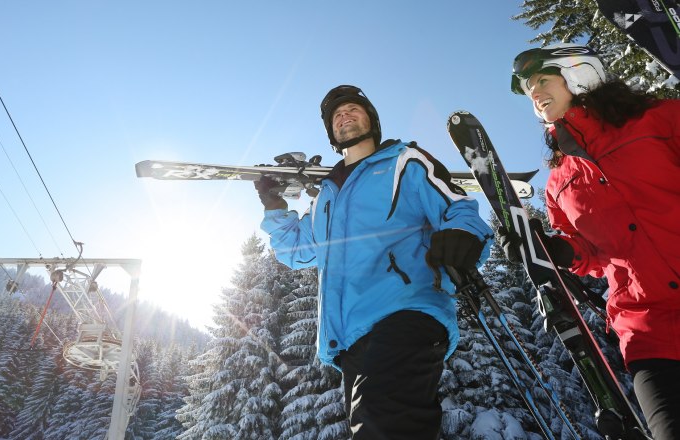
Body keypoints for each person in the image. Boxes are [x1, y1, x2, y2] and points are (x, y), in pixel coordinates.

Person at [255, 85, 492, 439]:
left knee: (383, 426)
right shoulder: (328, 197)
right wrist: (274, 207)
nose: (344, 116)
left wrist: (463, 235)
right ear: (331, 134)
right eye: (336, 115)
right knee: (376, 426)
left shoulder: (404, 161)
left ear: (372, 120)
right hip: (350, 338)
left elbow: (457, 208)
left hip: (407, 314)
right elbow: (294, 249)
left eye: (352, 109)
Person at [508, 43, 680, 439]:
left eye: (541, 79)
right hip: (648, 331)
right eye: (528, 87)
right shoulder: (558, 183)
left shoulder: (657, 120)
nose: (533, 92)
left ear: (577, 73)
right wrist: (560, 250)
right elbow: (590, 255)